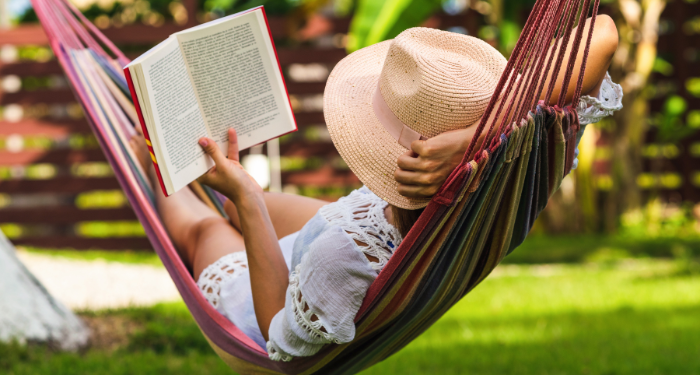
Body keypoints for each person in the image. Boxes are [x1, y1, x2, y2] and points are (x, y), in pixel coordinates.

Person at [130, 16, 621, 362]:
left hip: (277, 288)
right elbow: (604, 32)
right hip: (357, 221)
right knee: (230, 202)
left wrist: (247, 199)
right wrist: (478, 137)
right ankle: (210, 177)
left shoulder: (342, 259)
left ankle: (149, 159)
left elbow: (280, 336)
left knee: (208, 227)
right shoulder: (517, 166)